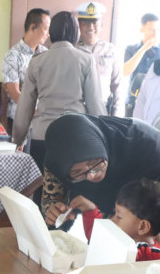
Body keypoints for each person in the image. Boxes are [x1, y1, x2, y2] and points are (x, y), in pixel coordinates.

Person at [12, 11, 106, 205]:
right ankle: (64, 233)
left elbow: (25, 106)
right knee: (73, 193)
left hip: (42, 138)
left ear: (52, 33)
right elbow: (96, 104)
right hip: (76, 137)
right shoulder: (85, 59)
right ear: (75, 33)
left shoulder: (37, 61)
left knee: (42, 191)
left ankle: (40, 232)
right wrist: (102, 140)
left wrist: (18, 139)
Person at [41, 113, 160, 230]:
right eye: (78, 173)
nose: (92, 176)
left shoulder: (147, 144)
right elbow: (51, 199)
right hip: (101, 223)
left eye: (95, 163)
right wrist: (54, 211)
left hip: (144, 225)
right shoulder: (57, 163)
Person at [78, 178, 160, 246]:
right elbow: (97, 237)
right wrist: (90, 210)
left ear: (143, 227)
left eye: (119, 217)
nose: (112, 220)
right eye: (114, 214)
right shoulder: (118, 237)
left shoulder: (150, 262)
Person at [1, 8, 50, 134]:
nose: (48, 34)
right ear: (33, 27)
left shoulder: (46, 54)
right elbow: (14, 92)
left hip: (44, 121)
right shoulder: (12, 56)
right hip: (21, 121)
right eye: (45, 29)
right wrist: (36, 111)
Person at [75, 1, 122, 116]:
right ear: (80, 25)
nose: (91, 27)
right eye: (86, 23)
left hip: (102, 112)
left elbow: (118, 87)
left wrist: (117, 117)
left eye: (94, 22)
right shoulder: (72, 50)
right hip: (77, 111)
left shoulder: (111, 51)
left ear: (101, 25)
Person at [123, 13, 160, 117]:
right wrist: (145, 48)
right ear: (142, 29)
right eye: (151, 29)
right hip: (133, 102)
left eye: (157, 30)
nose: (155, 33)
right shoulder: (131, 49)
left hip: (156, 104)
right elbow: (126, 71)